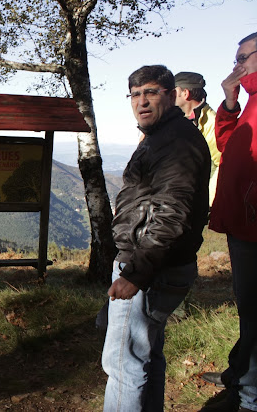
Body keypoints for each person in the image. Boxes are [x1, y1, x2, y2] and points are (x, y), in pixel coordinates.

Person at [101, 65, 210, 411]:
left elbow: (171, 213)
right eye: (135, 94)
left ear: (171, 95)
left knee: (123, 363)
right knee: (147, 355)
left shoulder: (175, 142)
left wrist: (136, 273)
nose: (142, 101)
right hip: (156, 264)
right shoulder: (164, 137)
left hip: (150, 266)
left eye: (150, 92)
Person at [201, 32, 257, 412]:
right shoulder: (250, 102)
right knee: (249, 309)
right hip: (243, 223)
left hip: (252, 224)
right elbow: (228, 145)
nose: (236, 65)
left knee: (254, 311)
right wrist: (231, 102)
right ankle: (240, 374)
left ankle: (249, 397)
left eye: (243, 57)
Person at [174, 72, 221, 207]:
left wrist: (208, 202)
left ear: (185, 93)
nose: (169, 96)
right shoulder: (180, 121)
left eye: (174, 91)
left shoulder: (211, 123)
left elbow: (221, 164)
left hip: (201, 204)